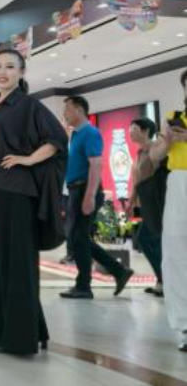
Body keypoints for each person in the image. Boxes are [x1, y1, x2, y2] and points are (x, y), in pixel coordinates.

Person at [0, 49, 67, 355]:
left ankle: (20, 339)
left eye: (10, 67)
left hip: (16, 192)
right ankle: (21, 331)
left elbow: (56, 140)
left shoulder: (28, 105)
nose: (2, 72)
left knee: (18, 264)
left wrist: (27, 160)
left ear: (21, 71)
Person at [60, 96, 133, 300]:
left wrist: (90, 195)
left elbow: (96, 164)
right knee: (78, 238)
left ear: (78, 110)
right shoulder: (76, 134)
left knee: (78, 238)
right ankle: (118, 271)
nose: (64, 114)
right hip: (76, 190)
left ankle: (84, 286)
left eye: (67, 110)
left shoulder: (90, 133)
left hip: (85, 189)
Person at [150, 68, 187, 352]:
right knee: (176, 253)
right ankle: (185, 325)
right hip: (179, 182)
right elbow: (154, 156)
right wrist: (169, 142)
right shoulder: (174, 118)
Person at [129, 118, 164, 296]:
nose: (130, 132)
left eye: (134, 128)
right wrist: (131, 202)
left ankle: (164, 280)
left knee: (146, 239)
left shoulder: (155, 148)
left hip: (156, 203)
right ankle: (162, 280)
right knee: (152, 241)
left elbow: (159, 177)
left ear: (145, 131)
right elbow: (138, 181)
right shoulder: (140, 152)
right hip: (146, 203)